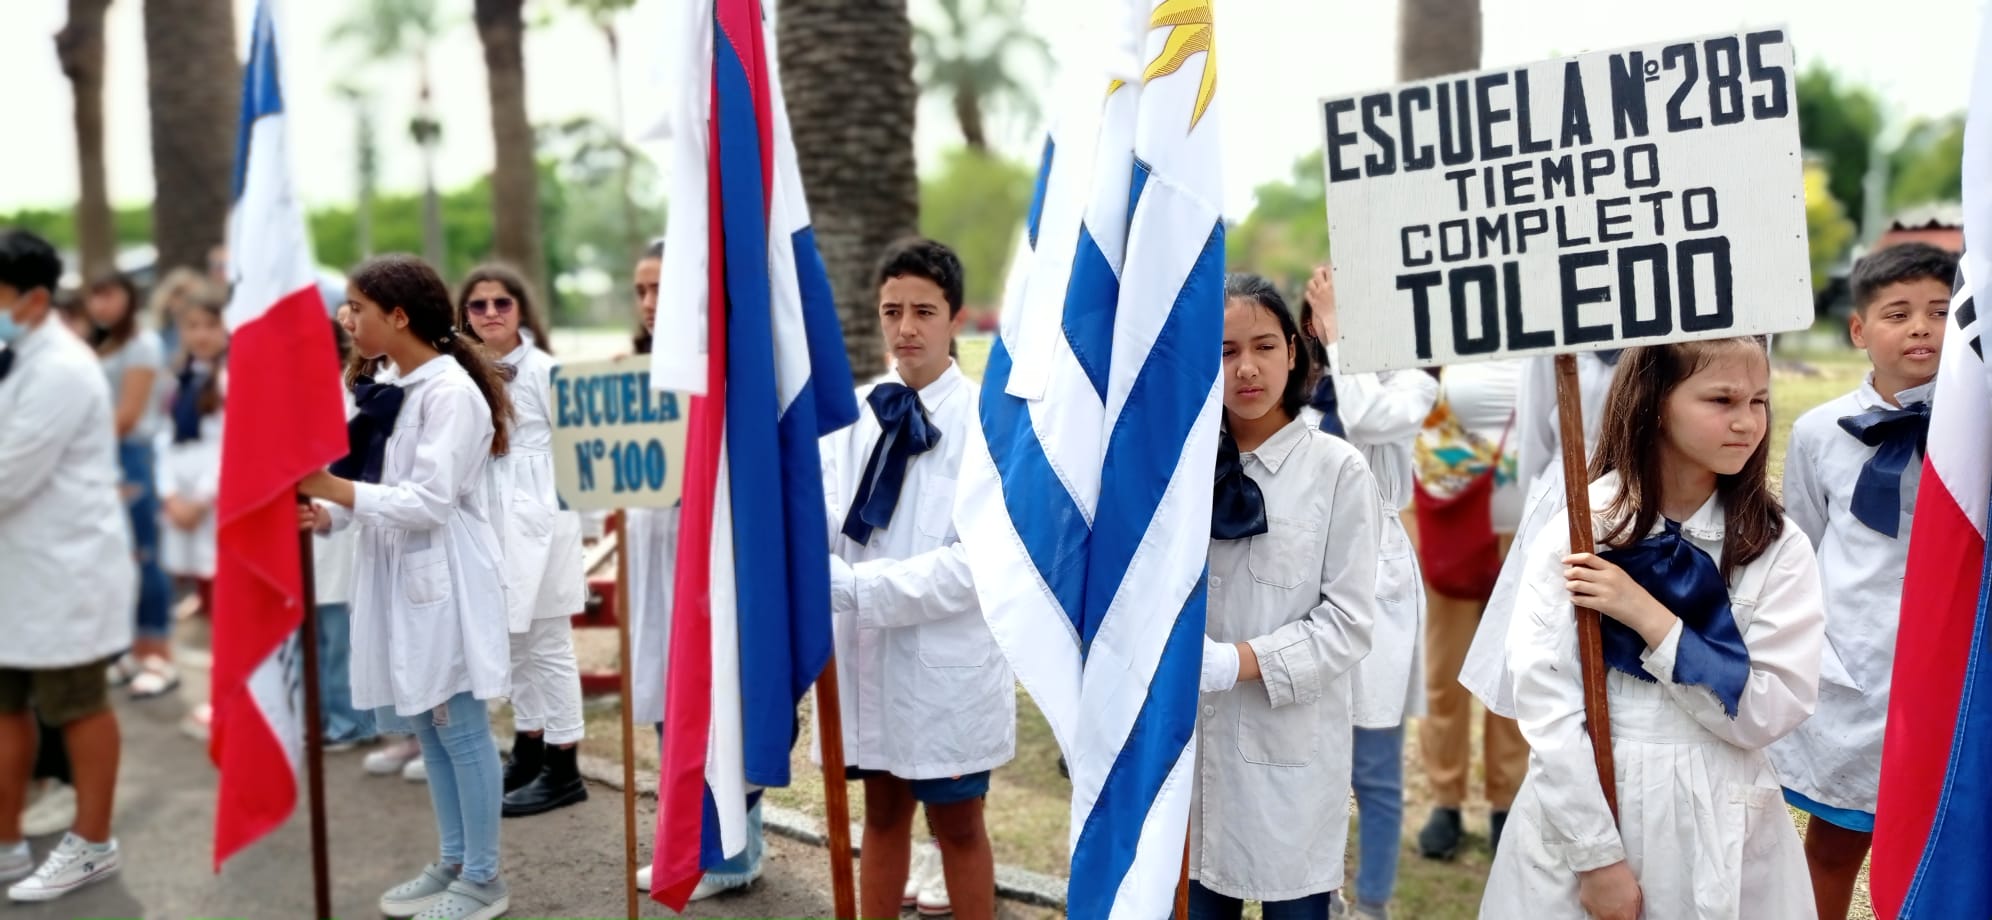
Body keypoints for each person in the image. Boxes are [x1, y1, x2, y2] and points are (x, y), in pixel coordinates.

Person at [1479, 338, 1823, 920]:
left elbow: (1767, 711)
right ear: (1656, 401)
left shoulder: (1774, 545)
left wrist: (1647, 615)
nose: (1747, 422)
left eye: (1759, 401)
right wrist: (1596, 859)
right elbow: (1547, 702)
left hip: (1720, 810)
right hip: (1590, 803)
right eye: (1722, 399)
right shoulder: (1583, 529)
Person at [300, 254, 515, 920]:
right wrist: (328, 510)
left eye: (356, 306)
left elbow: (427, 500)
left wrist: (337, 490)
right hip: (399, 574)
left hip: (443, 575)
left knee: (461, 726)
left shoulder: (451, 394)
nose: (346, 318)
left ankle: (483, 878)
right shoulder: (390, 385)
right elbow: (373, 478)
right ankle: (452, 859)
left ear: (398, 316)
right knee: (426, 723)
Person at [821, 238, 1013, 920]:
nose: (906, 328)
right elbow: (821, 515)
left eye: (924, 311)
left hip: (945, 663)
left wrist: (854, 590)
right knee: (879, 813)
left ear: (955, 318)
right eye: (892, 310)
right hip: (868, 659)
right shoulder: (851, 415)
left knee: (958, 824)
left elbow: (975, 561)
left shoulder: (988, 423)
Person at [1767, 242, 1953, 919]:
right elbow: (1804, 544)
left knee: (1943, 841)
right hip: (1857, 664)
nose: (1920, 328)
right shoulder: (1819, 432)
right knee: (1836, 843)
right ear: (1859, 330)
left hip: (1953, 667)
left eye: (1939, 312)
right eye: (1898, 313)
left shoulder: (1977, 430)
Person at [1190, 273, 1379, 920]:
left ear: (1294, 352)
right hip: (1191, 755)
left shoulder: (1337, 470)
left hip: (1288, 749)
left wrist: (1238, 661)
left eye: (1264, 346)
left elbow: (1349, 622)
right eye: (1224, 350)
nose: (1246, 368)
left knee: (1294, 904)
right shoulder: (1181, 470)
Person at [624, 241, 769, 899]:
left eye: (663, 290)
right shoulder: (632, 375)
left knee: (717, 708)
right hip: (654, 552)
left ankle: (733, 854)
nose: (651, 305)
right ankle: (686, 844)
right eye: (641, 292)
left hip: (711, 558)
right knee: (668, 700)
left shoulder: (727, 372)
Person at [1296, 266, 1435, 919]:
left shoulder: (1409, 380)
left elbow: (1368, 416)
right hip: (1298, 581)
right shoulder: (1292, 386)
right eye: (1321, 310)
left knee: (1374, 766)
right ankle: (1313, 893)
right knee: (1307, 758)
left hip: (1374, 579)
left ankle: (1372, 904)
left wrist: (1340, 335)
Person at [0, 229, 133, 902]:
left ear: (34, 298)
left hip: (63, 570)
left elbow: (7, 476)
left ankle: (92, 841)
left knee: (77, 704)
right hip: (16, 571)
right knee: (7, 702)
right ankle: (6, 843)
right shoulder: (17, 352)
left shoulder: (60, 367)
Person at [455, 264, 590, 817]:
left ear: (521, 310)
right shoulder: (459, 372)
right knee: (511, 641)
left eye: (501, 303)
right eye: (478, 305)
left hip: (541, 516)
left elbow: (578, 452)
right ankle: (529, 744)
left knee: (548, 640)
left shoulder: (546, 372)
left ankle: (564, 762)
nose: (490, 313)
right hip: (488, 513)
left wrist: (583, 524)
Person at [1407, 358, 1530, 860]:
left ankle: (1507, 799)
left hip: (1523, 525)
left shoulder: (1546, 332)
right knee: (1444, 673)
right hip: (1449, 522)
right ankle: (1446, 799)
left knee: (1514, 670)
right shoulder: (1445, 326)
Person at [88, 271, 177, 699]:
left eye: (108, 295)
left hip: (129, 456)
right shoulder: (103, 343)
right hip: (102, 456)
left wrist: (76, 439)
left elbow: (127, 416)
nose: (101, 306)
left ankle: (157, 651)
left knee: (144, 554)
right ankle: (126, 651)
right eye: (95, 297)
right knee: (114, 558)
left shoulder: (143, 343)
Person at [157, 291, 227, 617]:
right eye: (192, 326)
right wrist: (170, 496)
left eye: (211, 325)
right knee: (199, 578)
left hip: (214, 497)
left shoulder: (230, 378)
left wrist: (201, 499)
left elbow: (229, 444)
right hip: (181, 494)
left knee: (220, 582)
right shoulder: (179, 378)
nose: (201, 334)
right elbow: (165, 439)